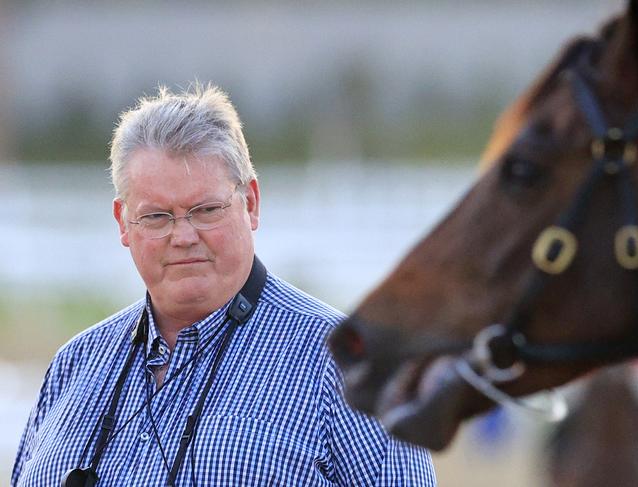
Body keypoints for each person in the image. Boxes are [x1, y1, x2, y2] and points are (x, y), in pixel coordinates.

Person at [11, 84, 436, 486]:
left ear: (250, 203)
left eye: (206, 210)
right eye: (157, 216)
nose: (183, 236)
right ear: (123, 222)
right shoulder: (74, 365)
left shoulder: (352, 364)